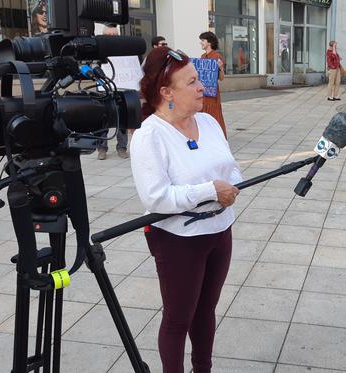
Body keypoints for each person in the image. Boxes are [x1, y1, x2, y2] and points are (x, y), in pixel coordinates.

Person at [131, 46, 242, 373]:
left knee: (206, 310)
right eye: (192, 82)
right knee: (179, 318)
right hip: (179, 241)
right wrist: (210, 190)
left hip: (220, 231)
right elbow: (156, 198)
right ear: (166, 92)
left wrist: (229, 185)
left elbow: (232, 169)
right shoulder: (150, 135)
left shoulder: (207, 122)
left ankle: (202, 369)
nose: (202, 88)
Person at [97, 24, 129, 159]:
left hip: (121, 90)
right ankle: (101, 149)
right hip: (103, 90)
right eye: (109, 36)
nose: (112, 38)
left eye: (114, 36)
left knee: (122, 119)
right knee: (102, 119)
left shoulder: (124, 50)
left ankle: (122, 148)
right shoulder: (97, 51)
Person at [199, 31, 227, 138]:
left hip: (212, 91)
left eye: (202, 40)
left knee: (213, 113)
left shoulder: (216, 56)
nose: (200, 43)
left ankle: (218, 137)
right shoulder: (202, 56)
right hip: (202, 91)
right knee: (203, 113)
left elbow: (221, 78)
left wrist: (220, 68)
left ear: (209, 42)